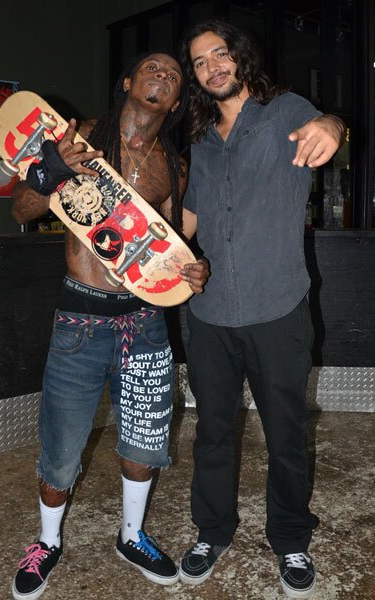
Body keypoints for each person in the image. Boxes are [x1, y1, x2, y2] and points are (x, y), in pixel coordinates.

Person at [10, 52, 208, 600]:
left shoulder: (176, 164)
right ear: (127, 81)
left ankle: (132, 535)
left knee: (143, 441)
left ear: (176, 100)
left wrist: (196, 267)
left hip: (145, 324)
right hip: (80, 318)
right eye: (152, 67)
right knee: (62, 448)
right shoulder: (80, 137)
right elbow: (23, 210)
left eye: (174, 75)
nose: (164, 75)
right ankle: (47, 543)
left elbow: (172, 246)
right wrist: (57, 167)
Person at [178, 19, 346, 598]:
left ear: (240, 56)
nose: (212, 67)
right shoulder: (199, 139)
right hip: (210, 312)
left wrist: (332, 125)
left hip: (278, 306)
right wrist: (146, 245)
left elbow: (326, 126)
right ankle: (211, 531)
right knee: (213, 433)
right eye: (200, 62)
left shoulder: (285, 110)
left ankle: (292, 537)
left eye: (219, 54)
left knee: (286, 432)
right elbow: (190, 222)